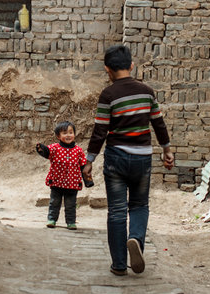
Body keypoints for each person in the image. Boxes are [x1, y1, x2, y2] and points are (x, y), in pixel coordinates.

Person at [81, 44, 174, 276]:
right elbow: (159, 124)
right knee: (140, 205)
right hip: (142, 159)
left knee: (117, 211)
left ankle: (119, 265)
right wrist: (166, 150)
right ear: (132, 65)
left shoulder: (108, 95)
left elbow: (100, 130)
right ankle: (136, 240)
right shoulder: (147, 92)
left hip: (116, 159)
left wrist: (89, 160)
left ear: (107, 69)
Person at [36, 121, 89, 230]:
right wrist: (41, 148)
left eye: (70, 132)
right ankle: (52, 220)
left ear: (74, 134)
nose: (68, 135)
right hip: (57, 182)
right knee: (54, 203)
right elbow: (47, 152)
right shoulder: (55, 148)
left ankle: (71, 222)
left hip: (72, 184)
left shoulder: (78, 151)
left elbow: (84, 166)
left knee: (71, 205)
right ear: (58, 136)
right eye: (64, 133)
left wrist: (88, 180)